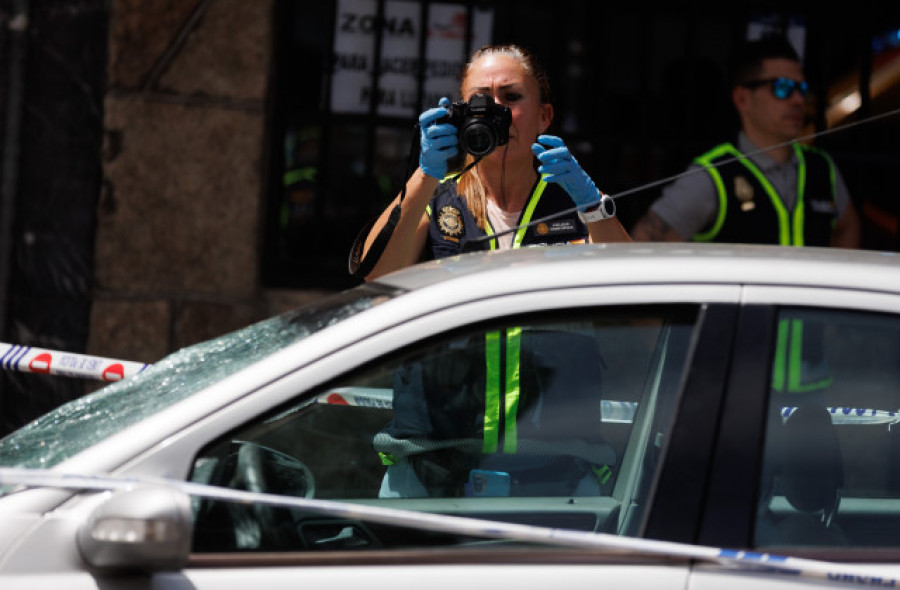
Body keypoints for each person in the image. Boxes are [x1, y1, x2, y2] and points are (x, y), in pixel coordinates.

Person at [356, 44, 631, 281]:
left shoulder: (580, 199)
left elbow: (628, 286)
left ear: (544, 117)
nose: (496, 112)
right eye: (481, 101)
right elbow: (375, 275)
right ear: (461, 115)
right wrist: (425, 174)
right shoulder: (437, 198)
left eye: (512, 97)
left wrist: (593, 205)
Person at [630, 35, 860, 248]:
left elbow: (847, 227)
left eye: (802, 89)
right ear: (742, 98)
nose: (798, 100)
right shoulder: (714, 174)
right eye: (782, 88)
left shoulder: (821, 167)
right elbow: (642, 245)